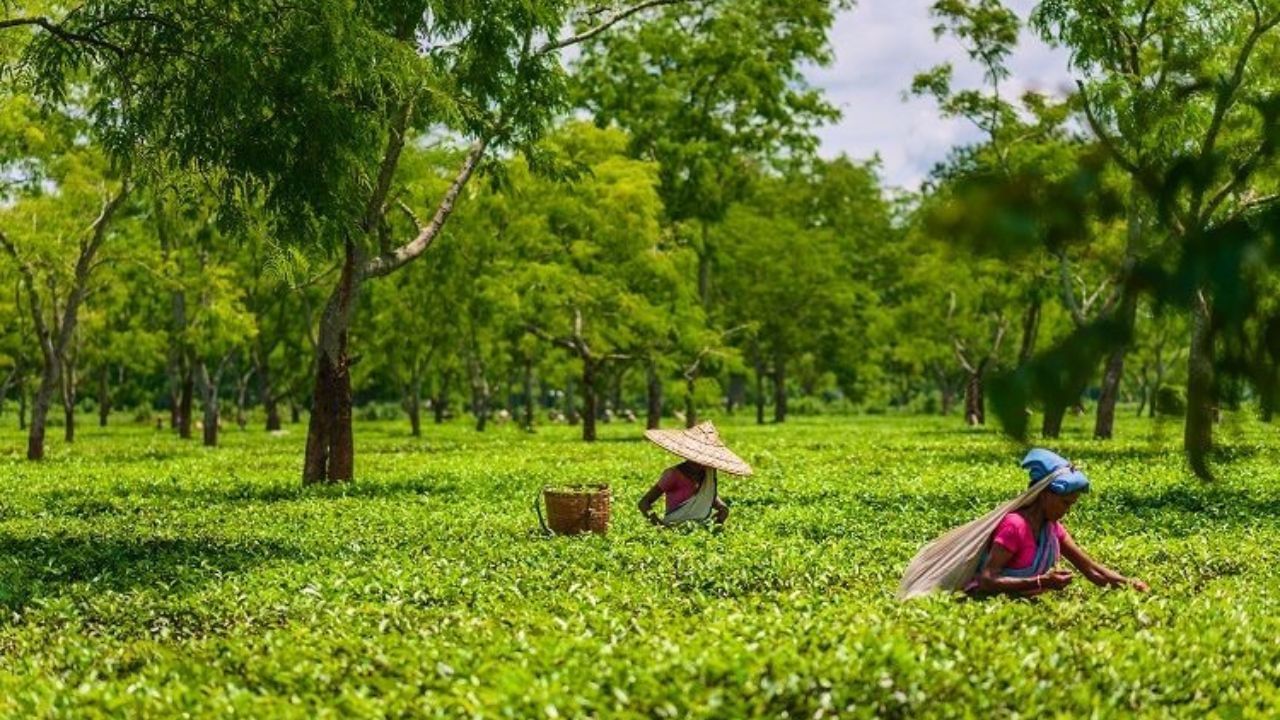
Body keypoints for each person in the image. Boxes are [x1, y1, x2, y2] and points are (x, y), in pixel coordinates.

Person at [898, 449, 1148, 600]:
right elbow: (987, 580)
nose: (1067, 510)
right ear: (1045, 495)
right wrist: (1042, 582)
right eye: (1064, 503)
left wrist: (1129, 584)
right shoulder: (1014, 526)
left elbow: (1092, 570)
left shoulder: (1053, 530)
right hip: (989, 604)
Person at [638, 421, 753, 527]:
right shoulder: (673, 475)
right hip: (675, 528)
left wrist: (723, 508)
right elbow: (644, 503)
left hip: (701, 528)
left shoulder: (707, 473)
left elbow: (707, 497)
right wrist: (658, 524)